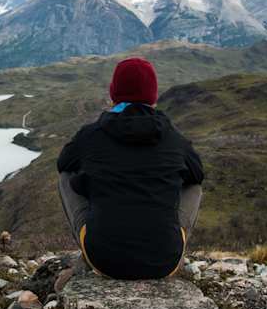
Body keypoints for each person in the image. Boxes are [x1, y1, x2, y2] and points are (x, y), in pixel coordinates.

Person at [56, 57, 204, 280]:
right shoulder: (173, 138)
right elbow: (197, 175)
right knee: (195, 186)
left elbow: (63, 163)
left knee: (66, 177)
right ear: (153, 94)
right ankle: (171, 242)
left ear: (114, 92)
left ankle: (90, 251)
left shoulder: (91, 134)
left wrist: (92, 180)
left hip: (104, 261)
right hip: (164, 262)